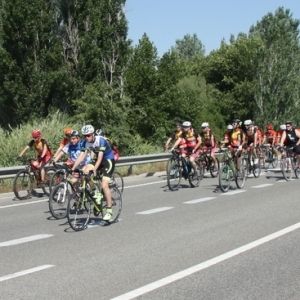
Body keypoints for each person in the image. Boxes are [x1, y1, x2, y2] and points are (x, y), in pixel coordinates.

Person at [72, 125, 115, 221]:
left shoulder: (101, 140)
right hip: (96, 160)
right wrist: (73, 167)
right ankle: (96, 193)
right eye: (84, 136)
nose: (86, 137)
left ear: (93, 134)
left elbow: (100, 158)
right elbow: (82, 156)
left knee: (104, 185)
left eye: (88, 135)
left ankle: (109, 210)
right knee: (84, 172)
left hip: (107, 161)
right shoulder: (84, 142)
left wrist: (94, 170)